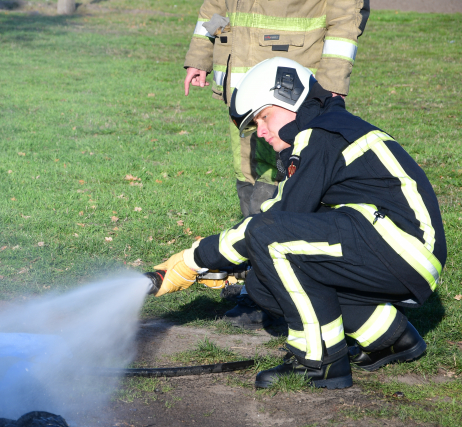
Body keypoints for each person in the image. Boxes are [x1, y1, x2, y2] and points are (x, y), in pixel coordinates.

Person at [153, 57, 446, 389]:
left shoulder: (319, 134)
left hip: (400, 245)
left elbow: (274, 222)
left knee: (269, 239)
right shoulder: (327, 127)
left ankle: (319, 361)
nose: (260, 132)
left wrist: (192, 262)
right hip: (398, 246)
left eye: (264, 117)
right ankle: (391, 337)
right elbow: (284, 212)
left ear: (289, 97)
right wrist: (219, 261)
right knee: (264, 280)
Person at [184, 0, 370, 218]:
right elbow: (216, 5)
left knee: (291, 168)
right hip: (241, 91)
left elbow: (345, 14)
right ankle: (254, 235)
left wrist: (332, 81)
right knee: (246, 168)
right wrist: (200, 55)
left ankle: (278, 235)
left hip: (289, 91)